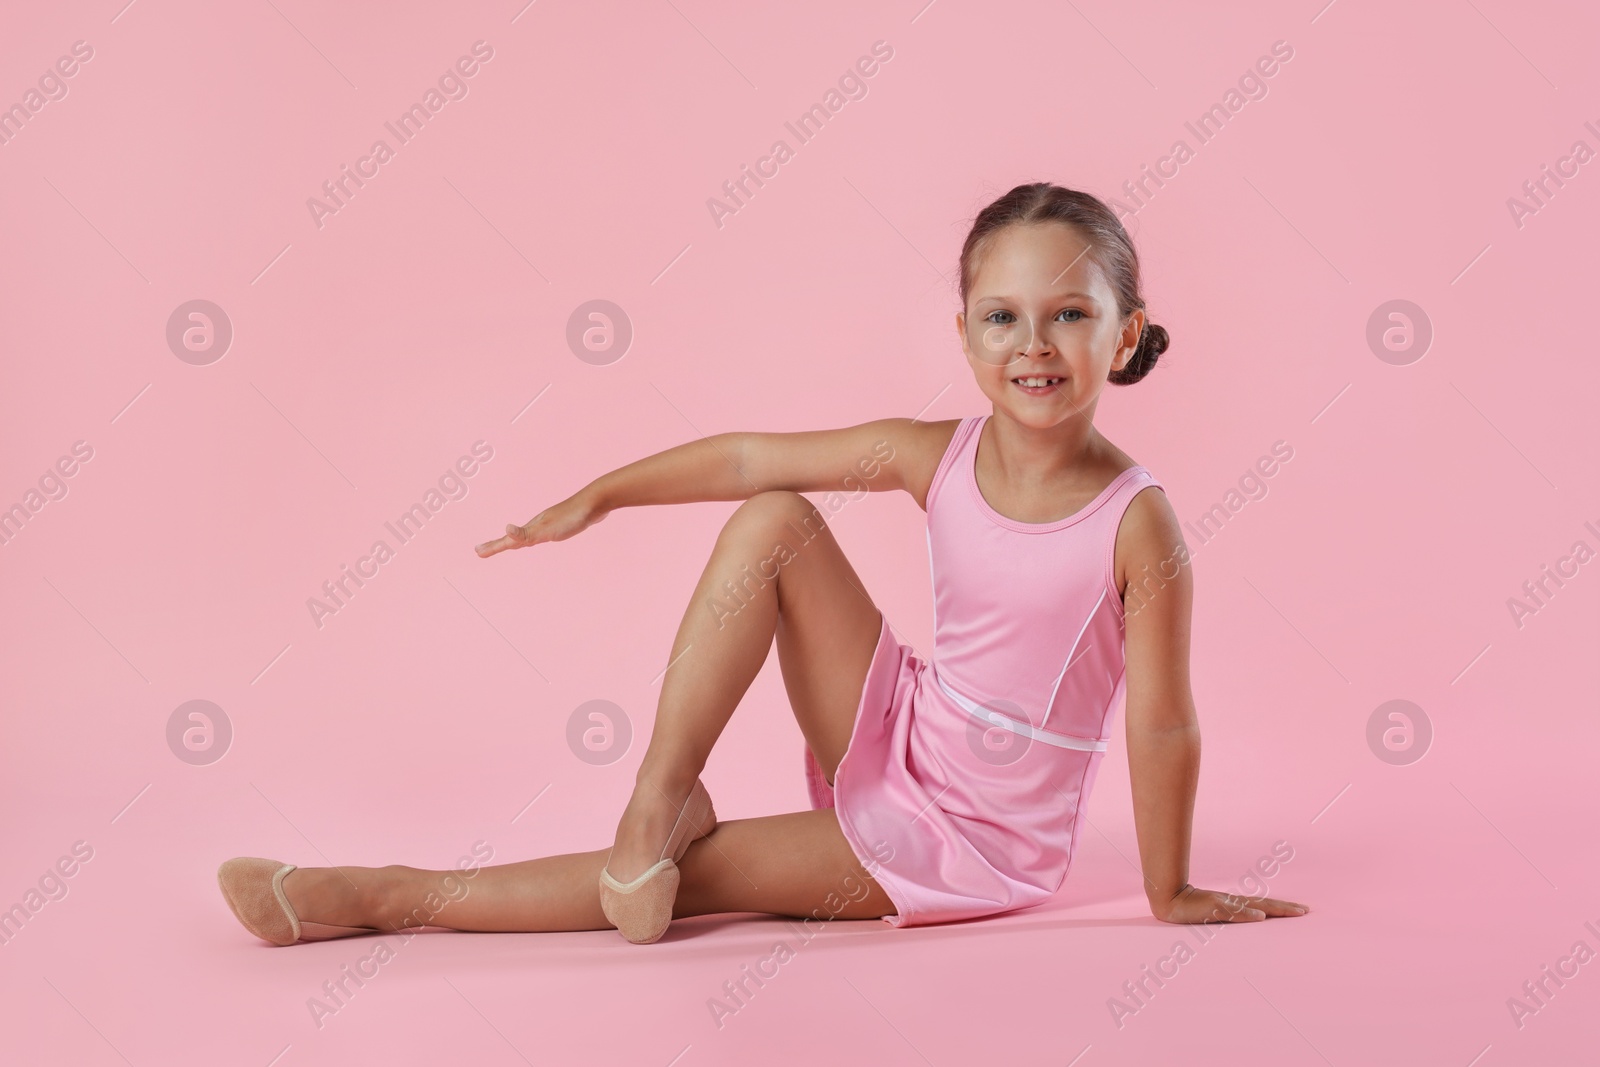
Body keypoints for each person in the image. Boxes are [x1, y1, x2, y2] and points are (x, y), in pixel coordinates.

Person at [217, 181, 1309, 948]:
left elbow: (1162, 720)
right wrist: (600, 492)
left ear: (1123, 337)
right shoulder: (937, 451)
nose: (1034, 343)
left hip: (977, 836)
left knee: (698, 886)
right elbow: (749, 456)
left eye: (1070, 314)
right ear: (966, 335)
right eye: (1004, 316)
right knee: (775, 514)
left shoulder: (1136, 522)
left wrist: (1169, 888)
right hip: (908, 728)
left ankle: (379, 895)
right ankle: (658, 797)